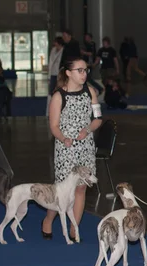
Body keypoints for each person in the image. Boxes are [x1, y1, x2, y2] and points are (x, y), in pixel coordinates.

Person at [42, 57, 102, 240]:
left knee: (81, 188)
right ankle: (48, 220)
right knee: (62, 191)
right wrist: (64, 139)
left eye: (86, 70)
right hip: (65, 148)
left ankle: (74, 229)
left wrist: (88, 129)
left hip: (86, 147)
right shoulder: (59, 96)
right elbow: (53, 126)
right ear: (68, 73)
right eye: (80, 70)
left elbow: (98, 119)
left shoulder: (91, 92)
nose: (84, 74)